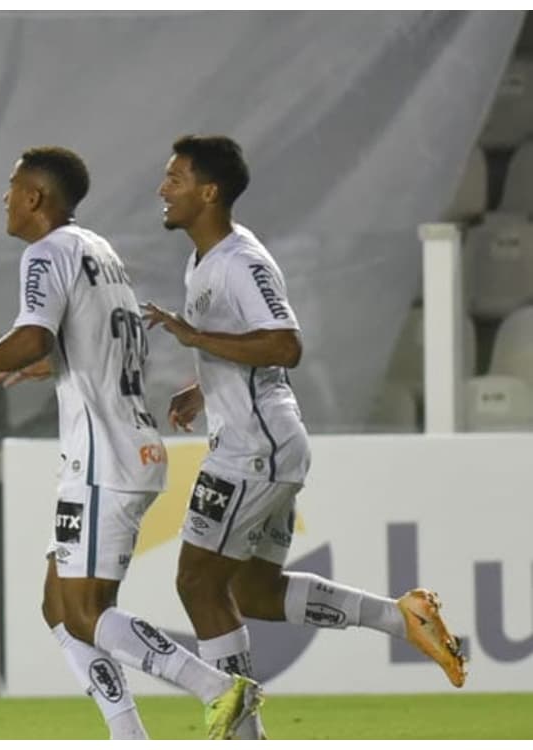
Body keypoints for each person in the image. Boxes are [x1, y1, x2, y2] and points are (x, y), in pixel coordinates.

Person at [0, 146, 262, 740]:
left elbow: (31, 336)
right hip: (130, 445)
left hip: (100, 456)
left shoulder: (44, 252)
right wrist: (58, 363)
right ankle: (127, 734)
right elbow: (91, 336)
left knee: (85, 613)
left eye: (12, 188)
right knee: (59, 605)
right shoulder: (98, 250)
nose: (5, 199)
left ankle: (217, 687)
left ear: (35, 198)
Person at [142, 134, 467, 739]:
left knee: (196, 582)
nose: (162, 189)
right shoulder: (203, 260)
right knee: (256, 592)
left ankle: (244, 734)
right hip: (261, 442)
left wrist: (195, 338)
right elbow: (246, 345)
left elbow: (285, 343)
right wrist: (203, 383)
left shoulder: (242, 261)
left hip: (254, 449)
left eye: (175, 179)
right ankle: (402, 618)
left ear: (208, 192)